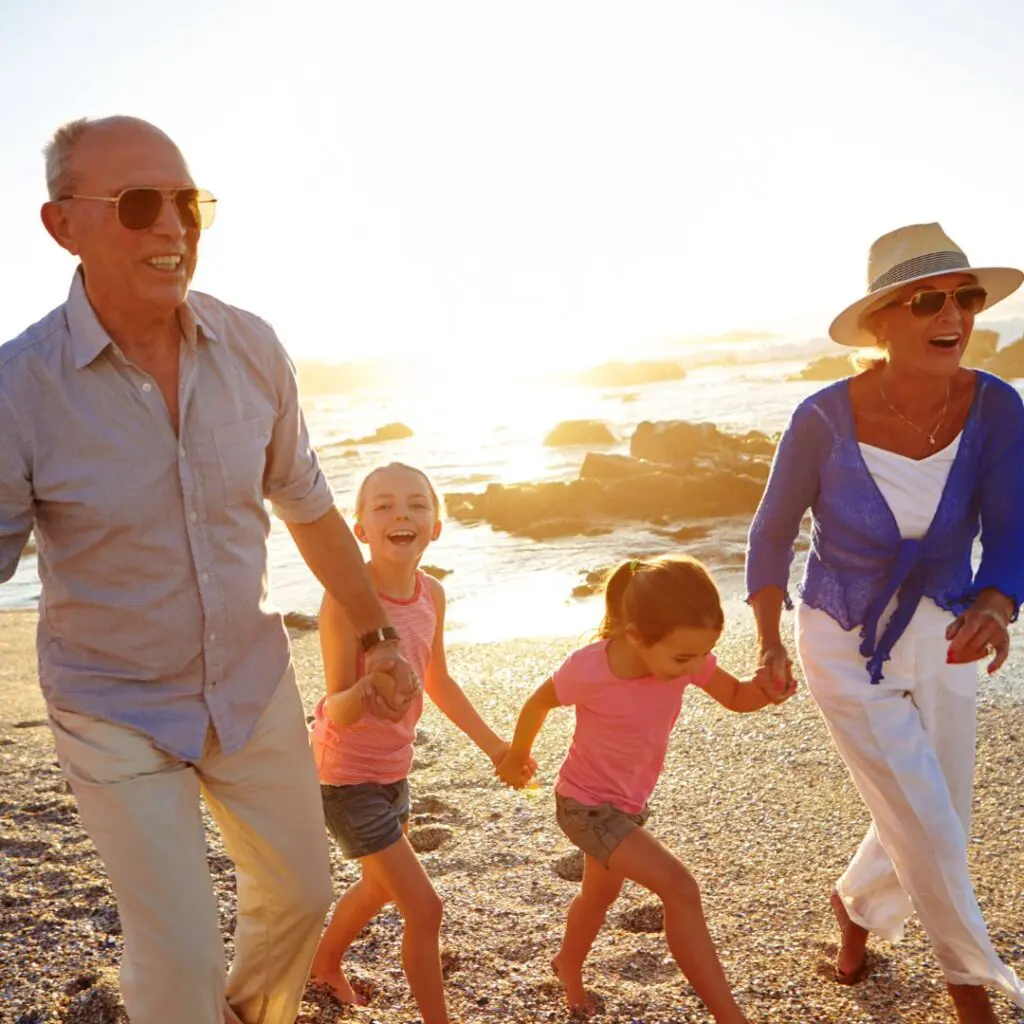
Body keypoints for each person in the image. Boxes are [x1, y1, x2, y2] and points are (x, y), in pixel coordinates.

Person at [0, 116, 419, 1024]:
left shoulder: (254, 349)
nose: (173, 227)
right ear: (61, 224)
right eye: (140, 204)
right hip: (113, 709)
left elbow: (307, 505)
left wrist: (382, 634)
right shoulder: (17, 390)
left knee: (303, 897)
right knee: (180, 955)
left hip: (249, 685)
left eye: (187, 203)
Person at [746, 222, 1024, 1023]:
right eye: (926, 300)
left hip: (946, 629)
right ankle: (971, 989)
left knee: (938, 811)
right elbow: (770, 533)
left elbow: (1012, 527)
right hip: (841, 637)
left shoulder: (999, 409)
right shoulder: (822, 419)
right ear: (881, 325)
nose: (953, 314)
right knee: (931, 822)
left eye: (964, 298)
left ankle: (857, 905)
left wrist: (996, 602)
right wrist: (768, 639)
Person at [497, 555, 794, 1022]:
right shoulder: (590, 668)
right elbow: (539, 702)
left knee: (599, 897)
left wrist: (768, 689)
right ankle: (729, 1016)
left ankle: (567, 964)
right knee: (680, 889)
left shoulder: (682, 657)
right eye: (684, 658)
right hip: (584, 807)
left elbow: (737, 696)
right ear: (636, 636)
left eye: (703, 654)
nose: (696, 667)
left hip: (628, 805)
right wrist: (518, 755)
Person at [308, 462, 533, 1024]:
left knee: (378, 889)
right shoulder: (343, 601)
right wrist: (367, 687)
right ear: (358, 528)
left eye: (416, 504)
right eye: (381, 506)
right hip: (345, 777)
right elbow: (334, 705)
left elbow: (441, 683)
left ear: (435, 525)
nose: (400, 513)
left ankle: (322, 963)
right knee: (424, 908)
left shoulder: (432, 593)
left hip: (394, 769)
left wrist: (498, 749)